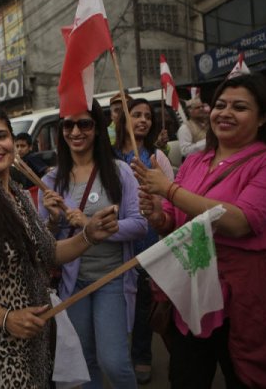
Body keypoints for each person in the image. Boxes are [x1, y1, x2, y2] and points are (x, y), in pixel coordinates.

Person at [0, 104, 119, 388]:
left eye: (0, 136)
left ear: (12, 142)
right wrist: (6, 318)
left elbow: (50, 253)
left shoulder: (16, 194)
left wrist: (88, 235)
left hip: (32, 343)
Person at [134, 73, 266, 389]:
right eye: (220, 105)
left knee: (248, 377)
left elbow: (241, 221)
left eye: (240, 107)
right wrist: (158, 217)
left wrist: (169, 189)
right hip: (193, 293)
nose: (225, 113)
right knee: (187, 377)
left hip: (246, 299)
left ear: (263, 119)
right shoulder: (195, 162)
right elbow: (177, 224)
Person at [38, 99, 147, 389]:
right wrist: (52, 220)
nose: (76, 131)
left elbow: (139, 224)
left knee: (114, 361)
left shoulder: (119, 171)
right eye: (68, 125)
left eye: (84, 123)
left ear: (97, 128)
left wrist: (90, 226)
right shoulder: (50, 180)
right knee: (84, 364)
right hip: (73, 285)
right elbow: (43, 243)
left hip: (112, 278)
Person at [113, 98, 174, 384]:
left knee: (143, 301)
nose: (143, 120)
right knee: (115, 301)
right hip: (117, 237)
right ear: (122, 120)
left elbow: (171, 197)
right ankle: (115, 354)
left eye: (147, 116)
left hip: (149, 237)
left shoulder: (156, 157)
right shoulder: (108, 156)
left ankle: (141, 355)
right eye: (135, 114)